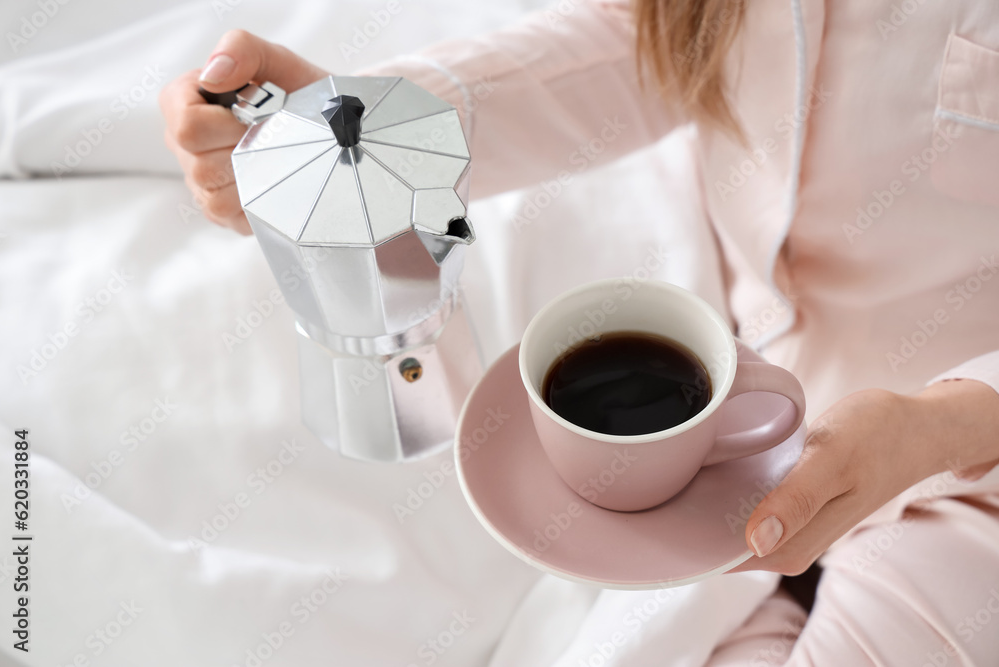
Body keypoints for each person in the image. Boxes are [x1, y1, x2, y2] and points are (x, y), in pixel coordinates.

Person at [159, 1, 999, 663]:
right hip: (737, 411)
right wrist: (372, 130)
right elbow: (652, 40)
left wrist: (944, 424)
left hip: (966, 455)